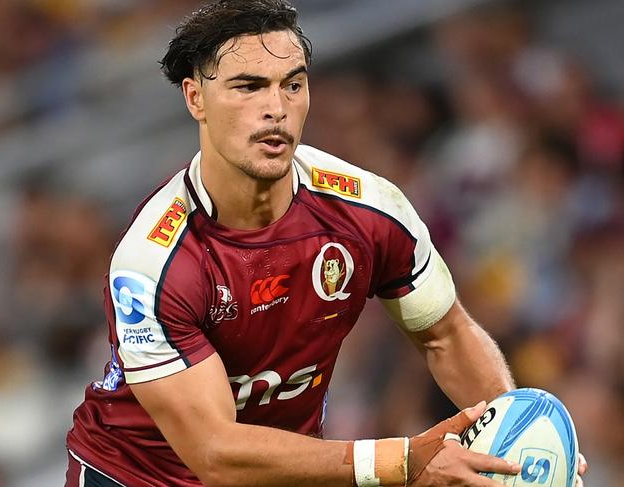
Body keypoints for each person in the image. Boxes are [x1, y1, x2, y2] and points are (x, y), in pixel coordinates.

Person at [65, 1, 586, 486]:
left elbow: (446, 335)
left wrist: (520, 439)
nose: (276, 108)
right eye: (248, 87)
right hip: (135, 475)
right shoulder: (154, 260)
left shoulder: (369, 210)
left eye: (292, 85)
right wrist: (402, 462)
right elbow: (215, 452)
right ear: (195, 97)